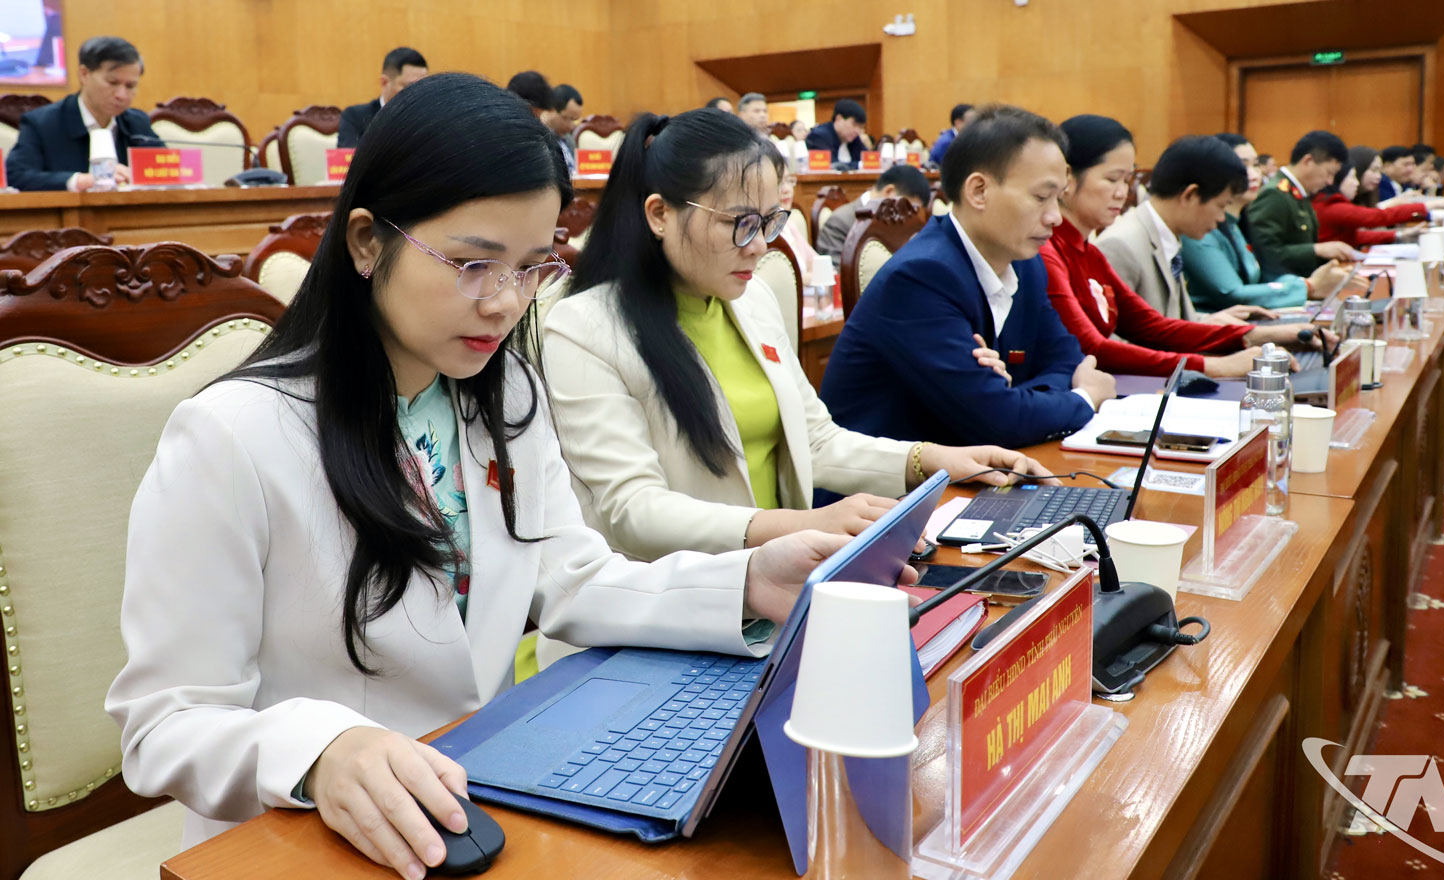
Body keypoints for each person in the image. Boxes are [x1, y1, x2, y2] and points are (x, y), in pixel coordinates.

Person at [105, 75, 857, 877]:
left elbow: (572, 578)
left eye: (531, 267)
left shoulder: (501, 395)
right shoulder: (232, 436)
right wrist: (321, 751)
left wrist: (747, 582)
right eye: (472, 263)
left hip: (481, 805)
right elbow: (163, 725)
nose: (505, 303)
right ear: (366, 242)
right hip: (306, 839)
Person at [541, 108, 1046, 563]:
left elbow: (815, 440)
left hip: (785, 572)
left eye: (769, 222)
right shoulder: (585, 328)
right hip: (681, 596)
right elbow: (632, 509)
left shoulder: (751, 300)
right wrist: (801, 525)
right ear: (659, 215)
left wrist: (933, 460)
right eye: (740, 223)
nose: (760, 246)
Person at [818, 106, 1116, 450]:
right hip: (891, 480)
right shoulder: (921, 277)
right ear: (978, 191)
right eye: (1040, 197)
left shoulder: (1026, 265)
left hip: (971, 463)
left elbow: (1066, 360)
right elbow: (999, 422)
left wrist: (1010, 399)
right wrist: (1083, 398)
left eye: (1058, 198)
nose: (1055, 217)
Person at [1044, 119, 1319, 377]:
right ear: (1068, 179)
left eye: (1126, 181)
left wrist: (1256, 336)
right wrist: (1216, 366)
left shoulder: (1088, 252)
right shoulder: (1054, 251)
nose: (1122, 193)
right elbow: (1094, 348)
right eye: (1112, 179)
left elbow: (1152, 326)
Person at [1098, 133, 1288, 324]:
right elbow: (1114, 338)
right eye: (1221, 206)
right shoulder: (1121, 245)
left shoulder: (1166, 234)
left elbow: (1169, 321)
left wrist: (1211, 322)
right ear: (1190, 195)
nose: (1221, 218)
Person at [1181, 133, 1339, 312]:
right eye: (1243, 165)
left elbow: (1259, 278)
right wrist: (1308, 286)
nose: (1253, 175)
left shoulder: (1235, 222)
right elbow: (1232, 294)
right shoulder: (1200, 226)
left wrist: (1306, 282)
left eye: (1255, 165)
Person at [5, 36, 163, 191]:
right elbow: (15, 176)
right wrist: (81, 181)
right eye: (112, 83)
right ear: (84, 74)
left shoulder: (136, 123)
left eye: (130, 86)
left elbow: (168, 171)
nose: (121, 95)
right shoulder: (43, 123)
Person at [1244, 130, 1361, 278]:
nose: (1330, 182)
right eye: (1329, 173)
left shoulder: (1298, 193)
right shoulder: (1275, 194)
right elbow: (1267, 253)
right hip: (1284, 286)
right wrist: (1316, 250)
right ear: (1308, 161)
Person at [1313, 146, 1430, 248]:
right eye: (1352, 177)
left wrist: (1399, 234)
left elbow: (1356, 236)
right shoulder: (1332, 205)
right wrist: (1427, 206)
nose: (1356, 182)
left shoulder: (1358, 198)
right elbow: (1379, 216)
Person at [814, 164, 929, 257]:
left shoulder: (908, 224)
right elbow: (837, 274)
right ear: (889, 192)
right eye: (909, 207)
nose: (910, 214)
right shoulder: (840, 222)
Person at [337, 47, 427, 149]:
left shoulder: (427, 118)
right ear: (384, 82)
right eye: (409, 86)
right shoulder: (355, 117)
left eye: (422, 85)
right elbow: (348, 155)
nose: (417, 92)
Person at [804, 98, 873, 166]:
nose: (857, 131)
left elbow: (869, 160)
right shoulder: (819, 136)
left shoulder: (853, 138)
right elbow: (832, 166)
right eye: (854, 125)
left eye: (860, 127)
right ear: (839, 119)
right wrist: (860, 165)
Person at [777, 169, 817, 274]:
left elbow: (816, 262)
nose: (787, 190)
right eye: (779, 183)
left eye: (789, 180)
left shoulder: (787, 225)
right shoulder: (764, 232)